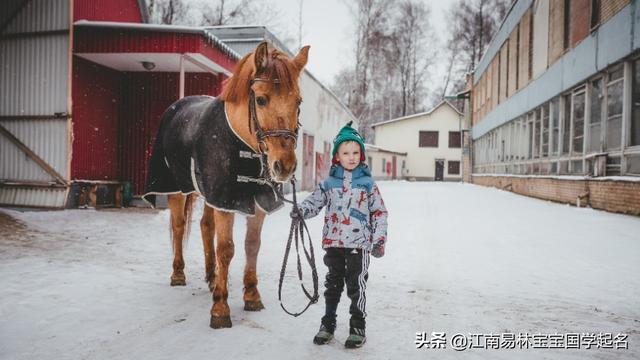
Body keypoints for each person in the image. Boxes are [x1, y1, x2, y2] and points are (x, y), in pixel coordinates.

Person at [291, 121, 388, 349]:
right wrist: (301, 210)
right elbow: (315, 202)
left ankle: (357, 326)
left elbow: (379, 212)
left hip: (359, 245)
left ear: (361, 155)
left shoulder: (367, 184)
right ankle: (328, 323)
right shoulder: (328, 184)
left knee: (356, 286)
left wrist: (379, 239)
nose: (351, 157)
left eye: (356, 152)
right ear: (337, 156)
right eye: (346, 153)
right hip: (333, 243)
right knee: (332, 285)